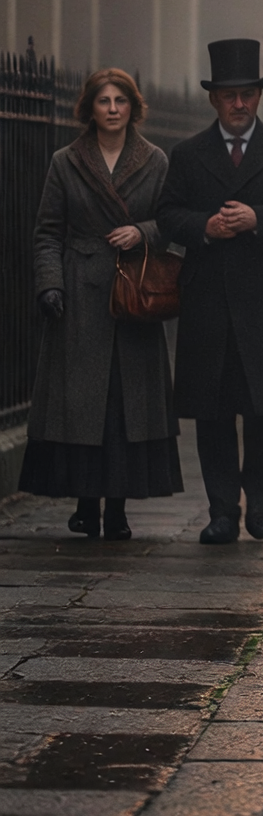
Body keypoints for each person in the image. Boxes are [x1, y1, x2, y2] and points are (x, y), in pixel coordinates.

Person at [157, 38, 263, 544]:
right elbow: (167, 215)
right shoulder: (187, 154)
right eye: (229, 95)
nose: (239, 103)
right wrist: (206, 226)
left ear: (258, 96)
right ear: (213, 99)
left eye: (247, 94)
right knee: (212, 409)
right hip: (208, 297)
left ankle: (260, 492)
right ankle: (222, 509)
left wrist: (258, 218)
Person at [20, 68, 182, 538]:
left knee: (124, 404)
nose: (112, 110)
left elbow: (171, 221)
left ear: (133, 107)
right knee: (82, 405)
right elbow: (47, 230)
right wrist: (50, 284)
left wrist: (142, 232)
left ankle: (118, 510)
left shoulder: (155, 161)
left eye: (121, 101)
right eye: (103, 101)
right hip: (80, 293)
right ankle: (85, 504)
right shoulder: (65, 161)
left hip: (132, 291)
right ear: (89, 108)